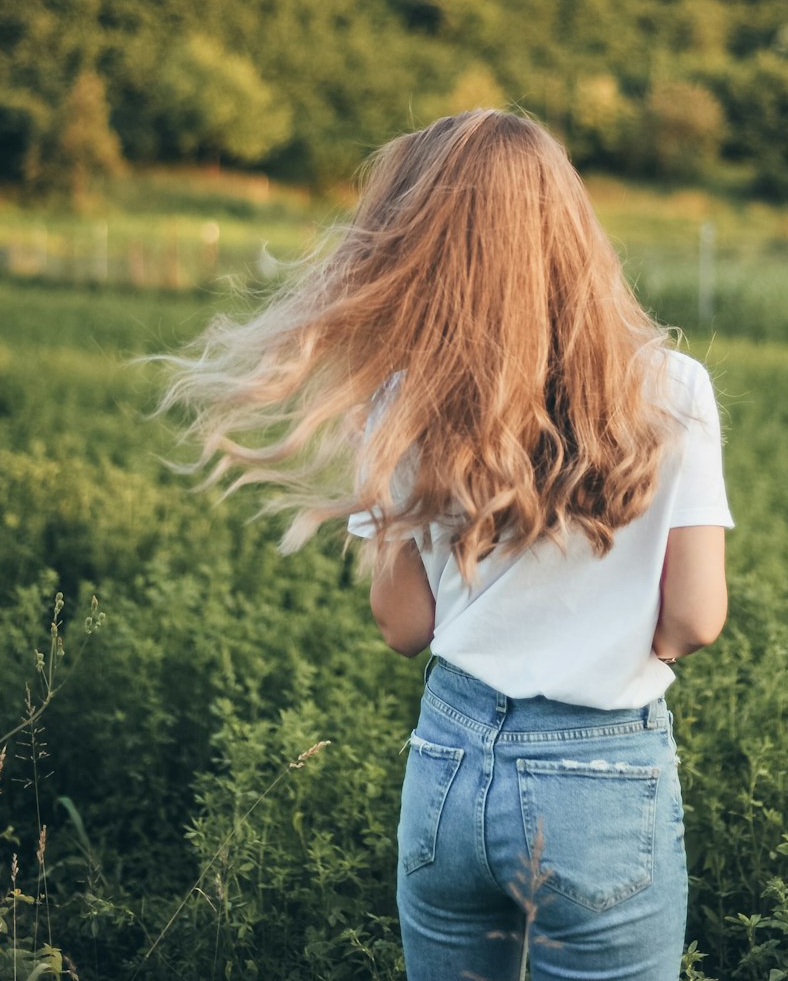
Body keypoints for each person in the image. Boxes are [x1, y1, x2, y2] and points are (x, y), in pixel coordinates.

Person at [151, 108, 734, 981]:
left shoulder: (399, 402)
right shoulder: (673, 388)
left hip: (451, 765)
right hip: (601, 768)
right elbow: (695, 617)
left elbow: (402, 625)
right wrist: (605, 646)